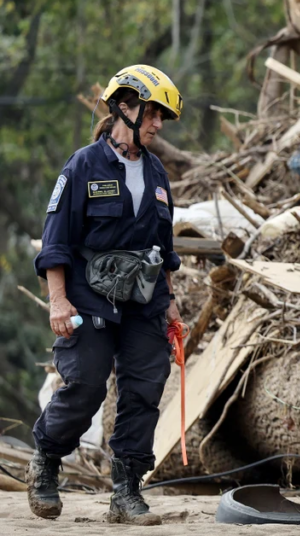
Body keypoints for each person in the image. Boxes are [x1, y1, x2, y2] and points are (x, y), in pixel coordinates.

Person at [29, 64, 184, 525]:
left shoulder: (157, 174)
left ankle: (126, 492)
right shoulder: (82, 166)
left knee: (143, 390)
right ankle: (47, 460)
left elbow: (165, 251)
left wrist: (171, 304)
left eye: (161, 117)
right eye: (153, 113)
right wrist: (58, 301)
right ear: (124, 107)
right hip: (88, 300)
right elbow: (55, 241)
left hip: (144, 303)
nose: (157, 124)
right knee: (87, 384)